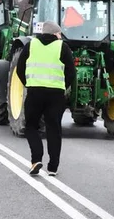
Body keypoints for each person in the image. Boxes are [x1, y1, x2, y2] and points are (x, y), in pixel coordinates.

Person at [15, 21, 76, 176]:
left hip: (35, 92)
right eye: (60, 34)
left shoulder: (31, 45)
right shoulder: (63, 47)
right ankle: (53, 168)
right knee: (54, 129)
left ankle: (36, 159)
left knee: (31, 126)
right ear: (56, 34)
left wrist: (29, 83)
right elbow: (71, 72)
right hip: (55, 94)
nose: (60, 37)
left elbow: (20, 68)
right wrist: (62, 85)